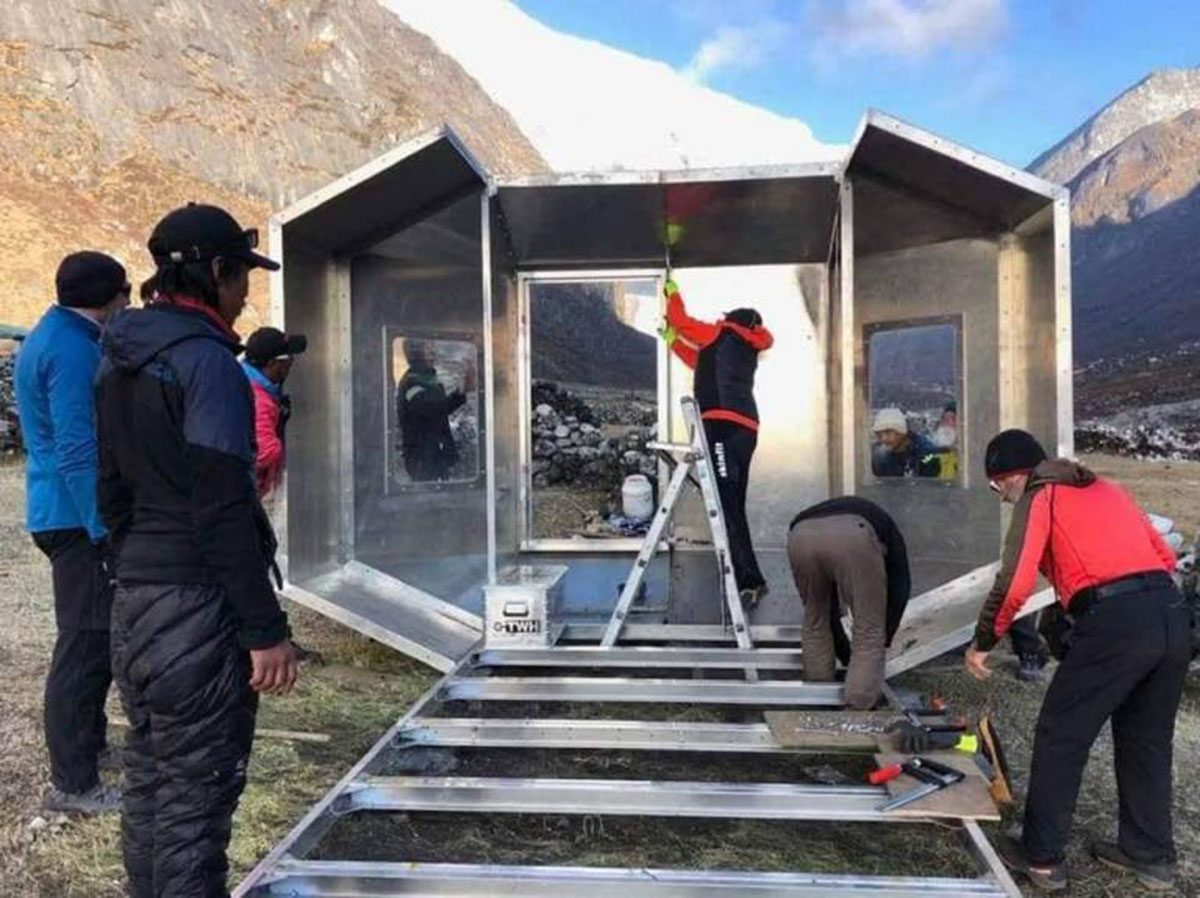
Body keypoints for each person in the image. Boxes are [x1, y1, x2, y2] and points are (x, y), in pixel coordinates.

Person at [96, 203, 299, 897]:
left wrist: (133, 574)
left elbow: (110, 493)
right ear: (216, 272)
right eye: (243, 279)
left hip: (136, 604)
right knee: (195, 805)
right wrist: (264, 628)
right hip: (196, 612)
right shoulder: (207, 365)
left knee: (151, 783)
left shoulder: (116, 360)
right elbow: (222, 506)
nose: (247, 298)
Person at [965, 429, 1187, 893]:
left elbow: (1016, 576)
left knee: (1060, 734)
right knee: (1146, 740)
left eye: (996, 487)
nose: (1002, 498)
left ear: (1013, 477)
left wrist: (984, 639)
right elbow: (1164, 554)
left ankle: (1040, 857)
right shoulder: (1106, 487)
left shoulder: (1040, 495)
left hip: (1116, 620)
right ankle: (1150, 855)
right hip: (1169, 612)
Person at [14, 251, 130, 814]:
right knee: (84, 643)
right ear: (112, 297)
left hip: (61, 509)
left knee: (97, 637)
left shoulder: (54, 334)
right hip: (73, 517)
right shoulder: (69, 349)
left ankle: (93, 745)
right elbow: (77, 448)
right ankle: (73, 782)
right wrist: (101, 525)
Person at [662, 278, 773, 607]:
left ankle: (749, 581)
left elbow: (682, 322)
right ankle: (750, 576)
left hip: (722, 427)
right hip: (745, 428)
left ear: (730, 321)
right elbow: (701, 364)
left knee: (727, 505)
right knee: (733, 503)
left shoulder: (719, 334)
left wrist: (672, 294)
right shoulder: (745, 347)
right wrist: (672, 342)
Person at [787, 497, 911, 710]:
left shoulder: (862, 513)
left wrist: (845, 654)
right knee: (869, 629)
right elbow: (901, 586)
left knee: (816, 619)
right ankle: (858, 706)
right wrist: (886, 635)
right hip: (852, 535)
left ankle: (817, 698)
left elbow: (831, 613)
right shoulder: (889, 534)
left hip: (799, 535)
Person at [241, 327, 307, 501]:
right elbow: (263, 451)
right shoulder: (259, 399)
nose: (291, 365)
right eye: (289, 360)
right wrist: (278, 443)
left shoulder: (244, 380)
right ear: (272, 364)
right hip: (246, 493)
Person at [396, 339, 466, 482]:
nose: (434, 353)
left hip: (438, 455)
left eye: (433, 348)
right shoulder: (411, 384)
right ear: (417, 355)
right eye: (428, 350)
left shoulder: (430, 379)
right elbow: (434, 409)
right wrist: (461, 394)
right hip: (422, 460)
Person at [871, 408, 942, 478]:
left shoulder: (925, 452)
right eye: (879, 434)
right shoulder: (879, 454)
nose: (884, 438)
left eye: (888, 432)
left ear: (902, 432)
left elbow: (930, 484)